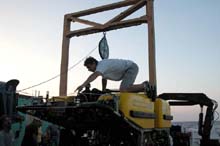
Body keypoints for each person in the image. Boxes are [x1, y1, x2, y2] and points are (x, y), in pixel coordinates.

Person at [75, 57, 147, 93]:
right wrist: (103, 90)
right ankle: (142, 88)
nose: (89, 70)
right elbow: (104, 78)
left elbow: (95, 75)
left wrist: (83, 85)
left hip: (130, 67)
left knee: (123, 89)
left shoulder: (101, 65)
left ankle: (145, 85)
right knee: (123, 90)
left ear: (93, 63)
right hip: (125, 70)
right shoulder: (101, 69)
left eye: (89, 67)